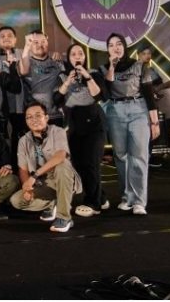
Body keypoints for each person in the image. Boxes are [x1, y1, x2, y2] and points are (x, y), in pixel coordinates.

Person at [100, 33, 160, 215]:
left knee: (139, 155)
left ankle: (139, 201)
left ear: (124, 46)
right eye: (111, 45)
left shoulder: (139, 65)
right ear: (107, 49)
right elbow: (105, 92)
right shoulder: (104, 68)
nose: (115, 48)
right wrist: (112, 66)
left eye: (119, 44)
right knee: (120, 156)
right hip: (114, 111)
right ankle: (127, 198)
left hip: (138, 109)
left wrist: (154, 122)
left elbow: (149, 94)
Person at [10, 101, 83, 232]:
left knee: (62, 165)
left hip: (61, 178)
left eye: (38, 115)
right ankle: (53, 203)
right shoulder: (23, 141)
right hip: (42, 183)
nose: (34, 120)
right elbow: (23, 169)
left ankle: (64, 217)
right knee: (16, 200)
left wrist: (34, 176)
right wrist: (26, 187)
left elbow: (60, 156)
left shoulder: (58, 131)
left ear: (47, 117)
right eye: (29, 117)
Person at [53, 43, 108, 217]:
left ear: (84, 57)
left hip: (94, 121)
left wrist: (87, 77)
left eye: (80, 53)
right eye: (73, 54)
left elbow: (99, 96)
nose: (77, 56)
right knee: (78, 164)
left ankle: (94, 204)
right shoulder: (62, 76)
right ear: (68, 58)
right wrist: (68, 82)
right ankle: (101, 197)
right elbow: (56, 99)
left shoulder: (94, 73)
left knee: (91, 162)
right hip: (74, 122)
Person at [0, 26, 27, 166]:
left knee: (20, 139)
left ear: (15, 39)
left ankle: (20, 168)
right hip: (2, 106)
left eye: (9, 35)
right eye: (2, 36)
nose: (6, 38)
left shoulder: (23, 54)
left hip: (21, 105)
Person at [19, 30, 65, 126]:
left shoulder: (57, 61)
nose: (40, 45)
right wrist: (26, 46)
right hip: (36, 116)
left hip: (57, 115)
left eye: (43, 41)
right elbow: (24, 71)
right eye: (35, 42)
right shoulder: (26, 62)